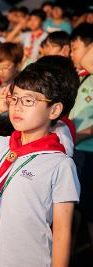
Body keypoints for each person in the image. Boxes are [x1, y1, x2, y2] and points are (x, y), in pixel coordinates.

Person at [0, 61, 80, 266]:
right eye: (15, 98)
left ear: (54, 111)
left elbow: (63, 232)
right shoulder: (3, 146)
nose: (17, 106)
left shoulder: (60, 164)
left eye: (28, 100)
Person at [69, 22, 93, 250]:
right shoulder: (81, 76)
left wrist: (79, 136)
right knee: (74, 204)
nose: (71, 54)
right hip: (76, 149)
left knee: (90, 208)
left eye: (75, 48)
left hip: (89, 151)